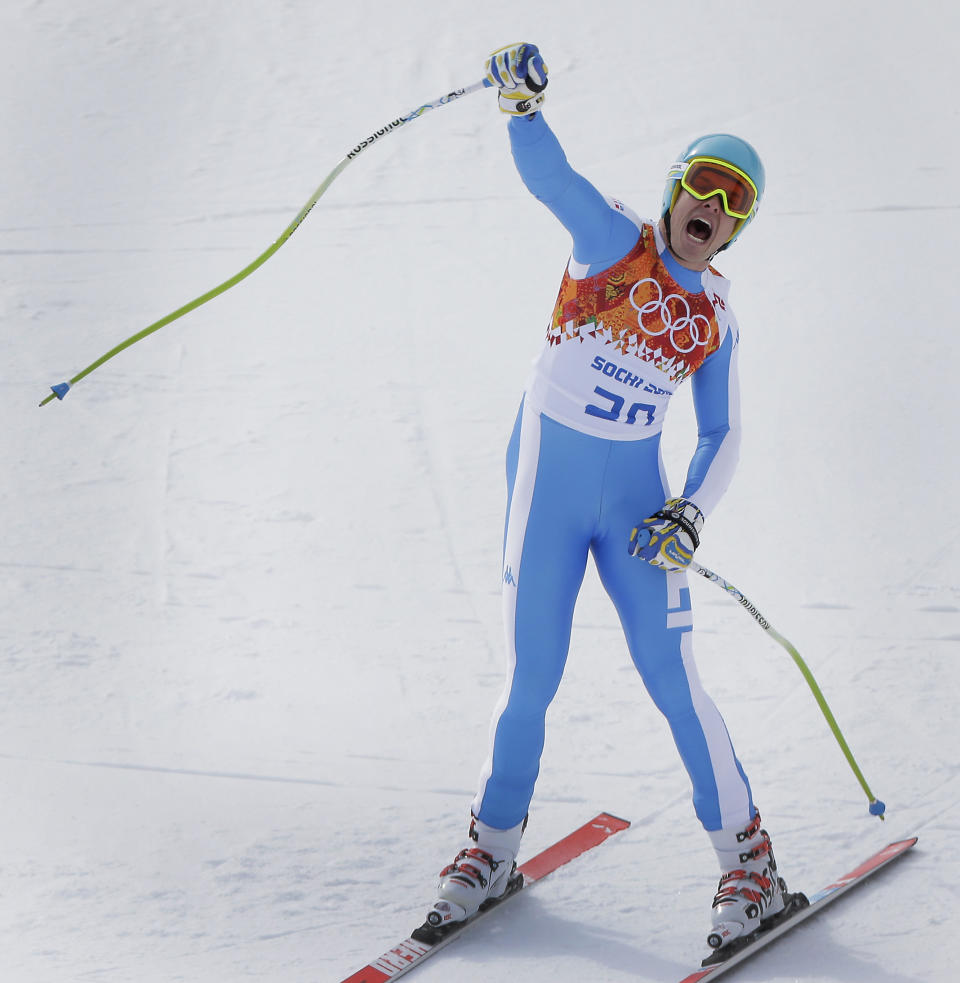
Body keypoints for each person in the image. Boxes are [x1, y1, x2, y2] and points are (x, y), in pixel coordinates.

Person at [424, 42, 791, 954]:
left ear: (739, 229)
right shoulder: (614, 242)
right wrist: (521, 108)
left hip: (636, 506)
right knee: (530, 675)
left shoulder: (715, 318)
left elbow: (724, 432)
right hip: (548, 486)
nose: (712, 207)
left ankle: (750, 864)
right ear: (674, 189)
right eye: (704, 185)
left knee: (674, 680)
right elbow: (553, 179)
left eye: (734, 202)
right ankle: (492, 848)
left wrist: (690, 511)